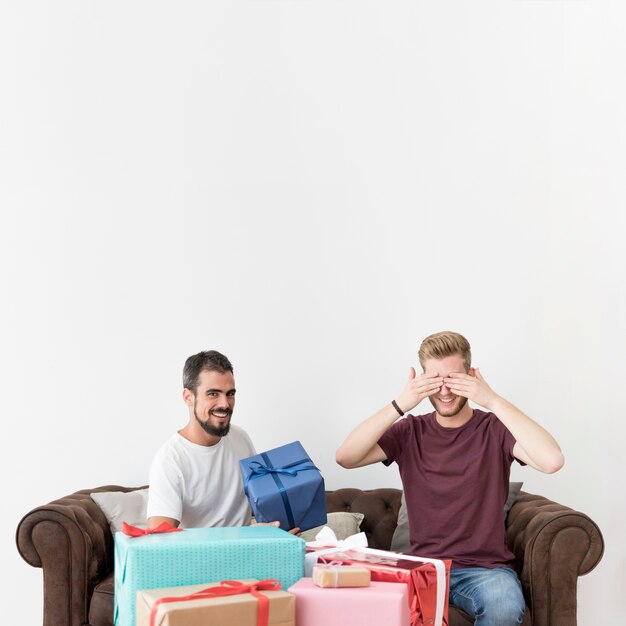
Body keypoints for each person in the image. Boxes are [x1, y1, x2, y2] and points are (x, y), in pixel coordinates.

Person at [335, 331, 564, 626]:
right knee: (359, 607)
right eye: (435, 381)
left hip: (485, 570)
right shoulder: (409, 431)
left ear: (471, 376)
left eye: (454, 380)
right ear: (421, 380)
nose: (444, 391)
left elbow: (552, 461)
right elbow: (345, 457)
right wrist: (401, 403)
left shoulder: (494, 429)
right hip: (422, 567)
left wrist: (491, 400)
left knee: (504, 607)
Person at [147, 350, 291, 531]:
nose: (225, 404)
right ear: (188, 397)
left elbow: (262, 501)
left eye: (230, 394)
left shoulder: (240, 438)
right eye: (213, 394)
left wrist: (275, 528)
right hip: (201, 558)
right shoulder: (170, 460)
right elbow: (158, 542)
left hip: (249, 554)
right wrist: (242, 536)